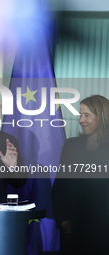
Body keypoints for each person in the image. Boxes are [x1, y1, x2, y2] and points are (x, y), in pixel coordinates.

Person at [51, 95, 109, 254]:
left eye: (87, 115)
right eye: (80, 115)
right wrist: (63, 219)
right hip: (72, 231)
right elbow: (59, 187)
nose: (81, 120)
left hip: (103, 234)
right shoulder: (71, 145)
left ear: (102, 116)